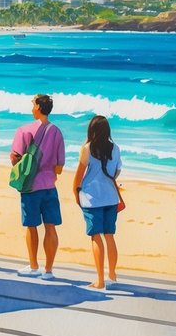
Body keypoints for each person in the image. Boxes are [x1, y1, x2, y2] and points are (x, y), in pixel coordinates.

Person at [11, 94, 66, 279]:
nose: (31, 107)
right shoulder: (57, 132)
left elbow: (14, 157)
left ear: (38, 108)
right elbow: (59, 167)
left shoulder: (24, 130)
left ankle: (34, 266)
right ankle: (48, 270)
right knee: (51, 227)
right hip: (50, 186)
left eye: (33, 104)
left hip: (31, 187)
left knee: (32, 226)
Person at [73, 115, 123, 289]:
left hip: (91, 198)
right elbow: (116, 173)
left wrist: (75, 194)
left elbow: (78, 177)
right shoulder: (115, 148)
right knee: (109, 236)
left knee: (96, 236)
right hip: (110, 197)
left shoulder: (87, 148)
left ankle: (100, 280)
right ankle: (112, 274)